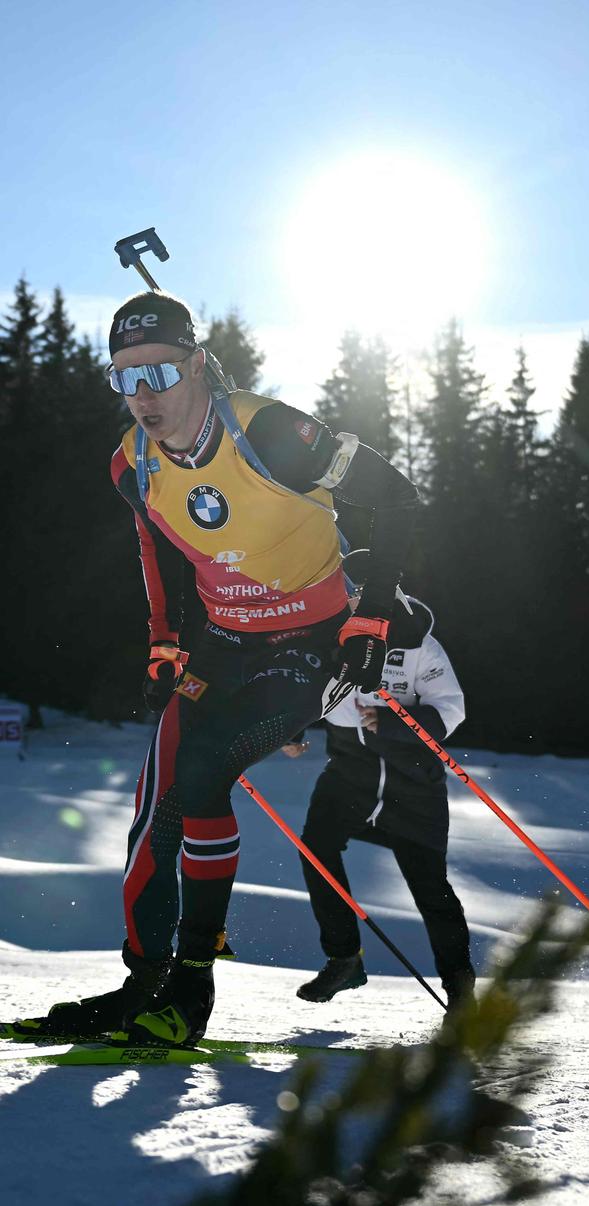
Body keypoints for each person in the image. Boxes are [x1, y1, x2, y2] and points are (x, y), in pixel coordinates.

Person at [10, 290, 418, 1046]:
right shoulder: (131, 463)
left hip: (311, 643)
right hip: (223, 646)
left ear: (198, 365)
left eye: (159, 373)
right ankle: (144, 982)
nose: (143, 397)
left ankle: (190, 991)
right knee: (157, 804)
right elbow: (156, 548)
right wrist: (165, 642)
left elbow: (399, 499)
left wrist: (374, 615)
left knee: (203, 774)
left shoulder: (267, 431)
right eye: (124, 378)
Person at [282, 591, 475, 1010]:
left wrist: (391, 723)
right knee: (316, 850)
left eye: (357, 596)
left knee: (431, 890)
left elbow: (451, 709)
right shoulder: (325, 634)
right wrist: (292, 729)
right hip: (350, 775)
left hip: (413, 786)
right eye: (345, 596)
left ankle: (461, 993)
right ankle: (344, 958)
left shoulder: (418, 642)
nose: (349, 604)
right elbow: (302, 683)